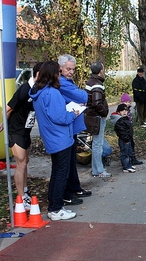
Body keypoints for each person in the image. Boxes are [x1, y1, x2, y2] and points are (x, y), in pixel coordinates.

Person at [29, 60, 77, 221]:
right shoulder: (52, 93)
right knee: (61, 174)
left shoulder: (39, 92)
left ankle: (54, 205)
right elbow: (60, 117)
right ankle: (56, 208)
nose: (60, 75)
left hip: (51, 137)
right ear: (53, 74)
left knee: (57, 172)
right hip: (60, 137)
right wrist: (73, 114)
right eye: (58, 72)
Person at [0, 62, 43, 211]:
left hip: (26, 130)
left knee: (26, 162)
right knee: (21, 164)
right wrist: (4, 124)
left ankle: (25, 191)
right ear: (38, 75)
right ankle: (21, 198)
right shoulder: (25, 89)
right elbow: (8, 108)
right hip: (16, 130)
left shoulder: (38, 89)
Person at [58, 54, 94, 204]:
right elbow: (82, 95)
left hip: (72, 126)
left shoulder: (67, 81)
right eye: (68, 69)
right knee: (67, 163)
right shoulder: (61, 82)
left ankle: (75, 187)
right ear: (60, 68)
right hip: (67, 127)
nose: (71, 71)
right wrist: (82, 93)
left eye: (73, 69)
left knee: (72, 160)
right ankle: (69, 191)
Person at [84, 61, 111, 178]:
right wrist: (104, 113)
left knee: (96, 143)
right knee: (98, 144)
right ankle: (99, 170)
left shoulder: (89, 82)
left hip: (91, 116)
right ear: (100, 70)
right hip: (97, 117)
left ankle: (96, 169)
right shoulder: (97, 85)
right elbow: (97, 103)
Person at [120, 93, 143, 165]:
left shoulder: (128, 110)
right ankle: (128, 160)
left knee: (132, 144)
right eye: (126, 102)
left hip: (130, 129)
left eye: (129, 102)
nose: (127, 104)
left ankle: (133, 158)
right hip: (125, 131)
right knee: (127, 146)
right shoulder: (122, 111)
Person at [113, 104, 136, 173]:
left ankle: (129, 164)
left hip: (128, 138)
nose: (124, 112)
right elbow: (121, 132)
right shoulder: (120, 121)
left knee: (129, 152)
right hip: (124, 140)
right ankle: (126, 167)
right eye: (122, 111)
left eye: (125, 110)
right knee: (124, 153)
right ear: (119, 112)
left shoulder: (126, 118)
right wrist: (126, 139)